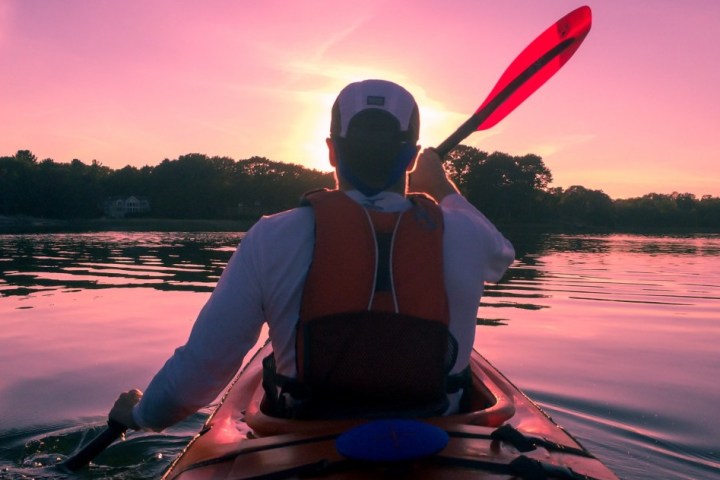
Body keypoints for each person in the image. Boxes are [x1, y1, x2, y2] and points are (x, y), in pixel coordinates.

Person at [110, 79, 515, 430]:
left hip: (305, 436)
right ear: (410, 157)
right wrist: (441, 185)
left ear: (331, 151)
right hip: (440, 436)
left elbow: (198, 373)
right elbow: (502, 255)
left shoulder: (272, 236)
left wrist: (141, 415)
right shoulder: (465, 233)